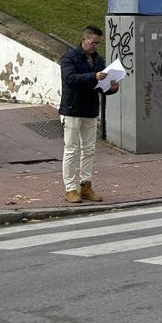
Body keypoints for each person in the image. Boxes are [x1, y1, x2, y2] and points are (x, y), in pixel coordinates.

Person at [58, 24, 118, 204]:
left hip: (90, 110)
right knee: (71, 149)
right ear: (84, 40)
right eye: (93, 42)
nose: (95, 46)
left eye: (98, 43)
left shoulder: (98, 60)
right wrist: (94, 76)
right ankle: (70, 188)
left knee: (89, 150)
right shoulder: (70, 57)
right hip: (72, 109)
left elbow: (101, 87)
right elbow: (70, 79)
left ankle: (86, 185)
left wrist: (112, 88)